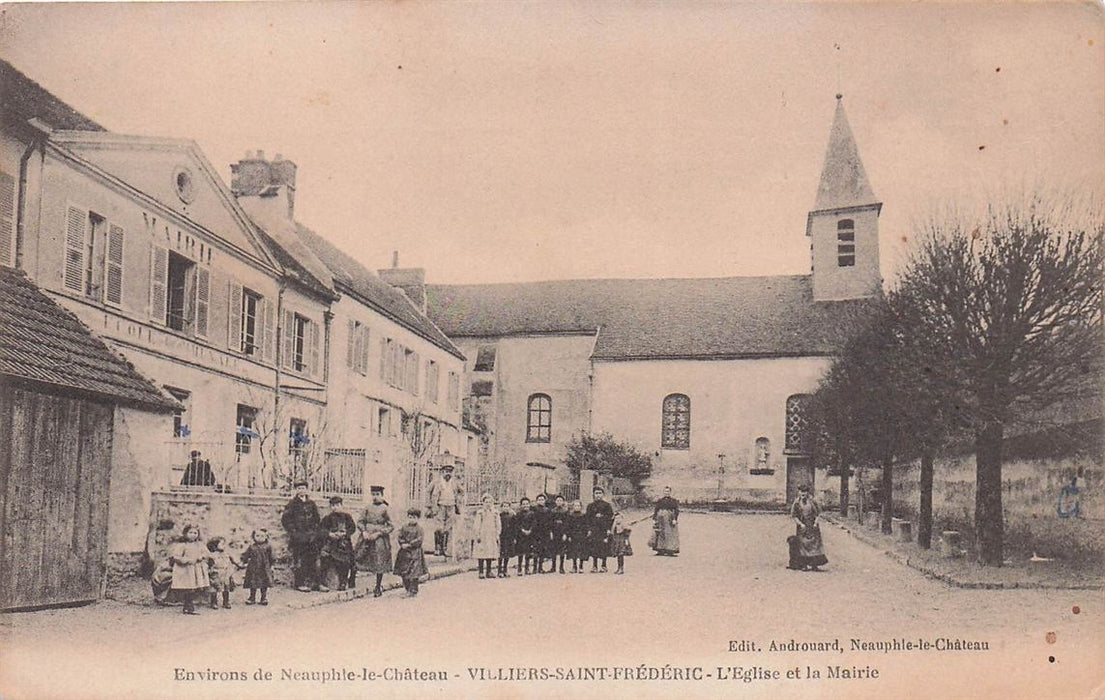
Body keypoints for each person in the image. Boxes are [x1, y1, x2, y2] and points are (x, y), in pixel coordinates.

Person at [281, 480, 322, 592]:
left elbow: (317, 519)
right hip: (299, 537)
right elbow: (286, 520)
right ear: (296, 490)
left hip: (311, 537)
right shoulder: (292, 504)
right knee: (299, 561)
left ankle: (314, 584)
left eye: (303, 488)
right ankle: (299, 584)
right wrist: (294, 532)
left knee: (313, 560)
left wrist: (315, 532)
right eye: (299, 488)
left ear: (307, 489)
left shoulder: (311, 503)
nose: (301, 490)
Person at [356, 485, 393, 597]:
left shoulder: (385, 509)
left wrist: (379, 533)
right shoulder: (367, 508)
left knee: (379, 561)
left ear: (382, 495)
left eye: (377, 494)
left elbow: (391, 526)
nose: (375, 497)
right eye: (373, 494)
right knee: (358, 556)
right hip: (366, 537)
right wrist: (364, 532)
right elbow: (360, 522)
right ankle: (352, 580)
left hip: (379, 539)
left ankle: (378, 586)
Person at [169, 524, 210, 615]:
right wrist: (187, 560)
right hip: (186, 570)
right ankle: (188, 606)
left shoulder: (199, 544)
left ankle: (188, 606)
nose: (193, 534)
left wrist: (201, 557)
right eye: (190, 532)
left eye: (195, 533)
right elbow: (176, 556)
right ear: (185, 533)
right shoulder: (182, 545)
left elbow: (206, 553)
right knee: (188, 588)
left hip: (197, 569)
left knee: (195, 588)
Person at [320, 495, 357, 591]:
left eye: (337, 505)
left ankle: (344, 582)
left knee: (347, 562)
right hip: (331, 544)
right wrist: (330, 534)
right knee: (325, 558)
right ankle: (322, 582)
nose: (335, 507)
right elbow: (322, 529)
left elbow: (352, 528)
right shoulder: (327, 518)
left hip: (344, 544)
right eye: (333, 505)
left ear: (341, 505)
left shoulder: (347, 517)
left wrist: (345, 534)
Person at [788, 484, 829, 571]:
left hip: (813, 526)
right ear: (799, 492)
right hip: (802, 527)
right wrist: (800, 524)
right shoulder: (796, 502)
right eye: (801, 492)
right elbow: (794, 516)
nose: (803, 493)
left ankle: (814, 565)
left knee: (815, 546)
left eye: (805, 492)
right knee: (803, 546)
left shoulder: (813, 501)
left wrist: (815, 523)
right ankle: (804, 565)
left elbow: (818, 513)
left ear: (807, 493)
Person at [427, 464, 463, 558]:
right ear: (442, 472)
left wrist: (458, 500)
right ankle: (437, 548)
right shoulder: (436, 482)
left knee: (448, 528)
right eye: (446, 472)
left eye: (450, 472)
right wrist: (430, 505)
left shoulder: (454, 483)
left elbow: (462, 491)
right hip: (440, 506)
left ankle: (445, 548)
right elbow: (428, 491)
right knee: (439, 528)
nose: (448, 474)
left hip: (451, 507)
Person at [394, 507, 428, 597]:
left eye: (414, 517)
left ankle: (413, 590)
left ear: (417, 518)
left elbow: (419, 540)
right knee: (403, 571)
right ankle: (407, 588)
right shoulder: (404, 527)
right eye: (410, 517)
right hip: (404, 553)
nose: (411, 519)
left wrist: (410, 544)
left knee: (414, 573)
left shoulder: (419, 529)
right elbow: (400, 536)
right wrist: (402, 544)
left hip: (415, 553)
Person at [205, 536, 242, 609]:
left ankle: (226, 602)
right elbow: (208, 564)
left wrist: (239, 565)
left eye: (225, 544)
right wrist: (209, 570)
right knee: (214, 588)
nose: (224, 546)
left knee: (226, 587)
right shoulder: (212, 555)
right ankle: (214, 602)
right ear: (215, 546)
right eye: (222, 544)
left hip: (225, 573)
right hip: (216, 573)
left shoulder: (227, 554)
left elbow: (234, 561)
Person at [585, 486, 615, 573]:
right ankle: (594, 565)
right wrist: (589, 529)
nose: (598, 495)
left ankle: (604, 565)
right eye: (596, 493)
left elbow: (610, 518)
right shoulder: (590, 506)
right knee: (594, 547)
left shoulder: (607, 505)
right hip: (594, 529)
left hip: (603, 529)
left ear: (603, 494)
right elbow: (588, 518)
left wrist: (608, 528)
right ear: (593, 495)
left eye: (600, 493)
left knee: (603, 547)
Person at [241, 529, 274, 605]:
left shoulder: (268, 546)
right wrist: (243, 562)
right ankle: (252, 597)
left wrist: (272, 565)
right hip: (253, 568)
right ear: (253, 537)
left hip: (264, 568)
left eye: (262, 536)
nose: (260, 537)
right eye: (257, 536)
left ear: (266, 537)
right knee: (253, 583)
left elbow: (271, 557)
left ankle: (263, 598)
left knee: (264, 583)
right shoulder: (252, 547)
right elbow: (246, 555)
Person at [472, 493, 501, 579]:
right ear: (483, 503)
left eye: (489, 502)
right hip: (483, 534)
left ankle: (489, 571)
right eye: (486, 502)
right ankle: (481, 572)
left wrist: (497, 534)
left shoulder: (495, 512)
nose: (488, 504)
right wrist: (477, 535)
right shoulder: (480, 513)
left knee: (490, 552)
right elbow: (477, 524)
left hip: (491, 534)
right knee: (481, 552)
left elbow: (498, 524)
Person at [650, 486, 681, 556]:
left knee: (670, 534)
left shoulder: (673, 501)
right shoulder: (660, 501)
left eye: (668, 491)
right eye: (665, 491)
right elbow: (656, 510)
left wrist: (675, 519)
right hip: (660, 519)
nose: (666, 493)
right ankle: (660, 550)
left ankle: (670, 550)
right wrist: (655, 519)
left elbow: (676, 510)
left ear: (670, 492)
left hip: (669, 519)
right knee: (660, 533)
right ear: (663, 492)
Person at [513, 497, 535, 575]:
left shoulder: (532, 513)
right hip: (521, 536)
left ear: (529, 505)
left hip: (529, 536)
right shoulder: (518, 514)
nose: (525, 505)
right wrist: (522, 530)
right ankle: (519, 569)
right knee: (520, 553)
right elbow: (517, 524)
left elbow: (534, 523)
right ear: (521, 505)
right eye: (523, 504)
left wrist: (530, 530)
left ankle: (527, 568)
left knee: (528, 553)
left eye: (527, 504)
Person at [532, 493, 552, 574]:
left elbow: (550, 522)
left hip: (544, 532)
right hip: (536, 532)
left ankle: (540, 567)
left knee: (542, 550)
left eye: (542, 499)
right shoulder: (533, 509)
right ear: (537, 501)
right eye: (539, 499)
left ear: (545, 501)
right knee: (535, 550)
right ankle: (534, 568)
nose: (541, 501)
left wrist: (549, 531)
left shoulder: (547, 510)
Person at [566, 500, 588, 573]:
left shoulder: (584, 515)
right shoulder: (570, 515)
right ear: (573, 507)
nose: (577, 507)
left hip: (581, 535)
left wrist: (586, 533)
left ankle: (581, 566)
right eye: (575, 506)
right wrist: (568, 535)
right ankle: (574, 566)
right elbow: (568, 526)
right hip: (573, 535)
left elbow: (586, 525)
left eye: (578, 506)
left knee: (581, 551)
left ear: (581, 507)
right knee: (573, 551)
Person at [550, 495, 570, 574]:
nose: (559, 502)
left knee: (562, 550)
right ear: (555, 502)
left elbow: (567, 524)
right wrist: (551, 532)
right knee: (553, 550)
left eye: (560, 500)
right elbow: (550, 523)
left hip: (562, 533)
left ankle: (561, 567)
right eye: (557, 500)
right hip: (554, 532)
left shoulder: (565, 511)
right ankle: (553, 567)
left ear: (563, 502)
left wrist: (565, 534)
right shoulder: (552, 511)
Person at [497, 500, 516, 578]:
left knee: (507, 554)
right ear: (501, 507)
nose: (505, 508)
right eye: (504, 506)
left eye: (507, 506)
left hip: (509, 536)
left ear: (509, 507)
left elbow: (514, 527)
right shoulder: (499, 516)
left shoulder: (512, 516)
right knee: (501, 554)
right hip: (502, 536)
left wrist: (514, 537)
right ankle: (499, 571)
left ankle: (505, 569)